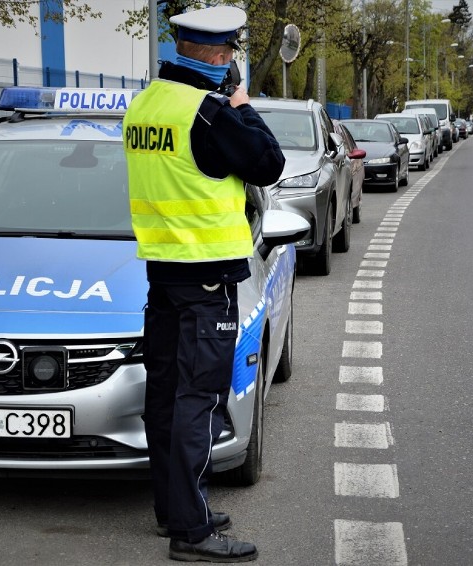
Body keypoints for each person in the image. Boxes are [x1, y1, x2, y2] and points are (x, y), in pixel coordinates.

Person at [122, 5, 285, 563]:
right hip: (207, 278)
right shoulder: (210, 113)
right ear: (220, 56)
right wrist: (241, 103)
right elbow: (269, 162)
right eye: (231, 53)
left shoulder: (145, 104)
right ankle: (191, 535)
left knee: (165, 395)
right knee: (199, 398)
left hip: (161, 272)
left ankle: (175, 510)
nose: (231, 61)